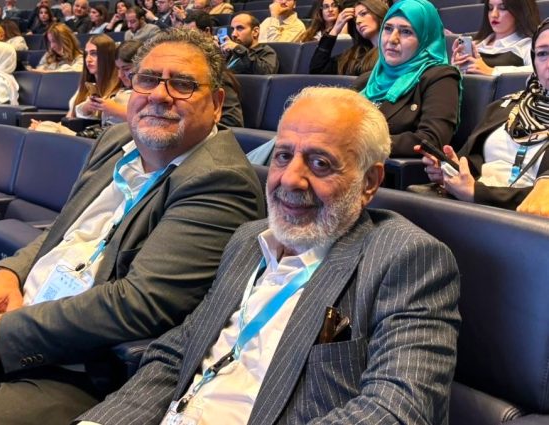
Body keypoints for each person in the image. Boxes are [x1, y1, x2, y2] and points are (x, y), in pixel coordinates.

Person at [0, 29, 265, 425]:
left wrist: (5, 334)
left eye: (183, 84)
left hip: (79, 370)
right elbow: (60, 232)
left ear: (217, 103)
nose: (160, 95)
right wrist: (8, 274)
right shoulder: (117, 141)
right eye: (147, 79)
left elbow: (141, 303)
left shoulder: (219, 180)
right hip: (15, 322)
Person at [77, 85, 461, 425]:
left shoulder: (406, 259)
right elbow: (179, 352)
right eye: (282, 156)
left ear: (369, 182)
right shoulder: (248, 240)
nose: (290, 178)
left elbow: (398, 410)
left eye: (320, 163)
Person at [416, 19, 549, 213]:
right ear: (534, 60)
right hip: (470, 207)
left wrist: (476, 193)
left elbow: (541, 201)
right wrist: (455, 168)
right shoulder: (507, 105)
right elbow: (477, 158)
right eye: (543, 53)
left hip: (520, 220)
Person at [355, 0, 461, 157]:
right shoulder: (367, 80)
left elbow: (431, 141)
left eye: (406, 32)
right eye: (388, 29)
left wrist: (360, 143)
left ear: (425, 39)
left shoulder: (440, 78)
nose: (392, 39)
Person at [29, 34, 121, 133]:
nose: (88, 59)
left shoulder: (118, 90)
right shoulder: (85, 86)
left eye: (94, 54)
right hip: (76, 134)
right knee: (38, 129)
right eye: (86, 54)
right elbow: (69, 119)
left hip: (92, 137)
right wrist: (48, 126)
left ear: (107, 56)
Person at [451, 0, 539, 76]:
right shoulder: (475, 45)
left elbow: (538, 70)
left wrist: (493, 71)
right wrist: (456, 68)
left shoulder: (528, 45)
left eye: (502, 8)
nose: (494, 14)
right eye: (490, 8)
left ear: (519, 11)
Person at [310, 0, 387, 75]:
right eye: (355, 19)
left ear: (378, 13)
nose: (358, 21)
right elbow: (317, 69)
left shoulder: (390, 51)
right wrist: (335, 30)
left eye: (363, 13)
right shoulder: (355, 55)